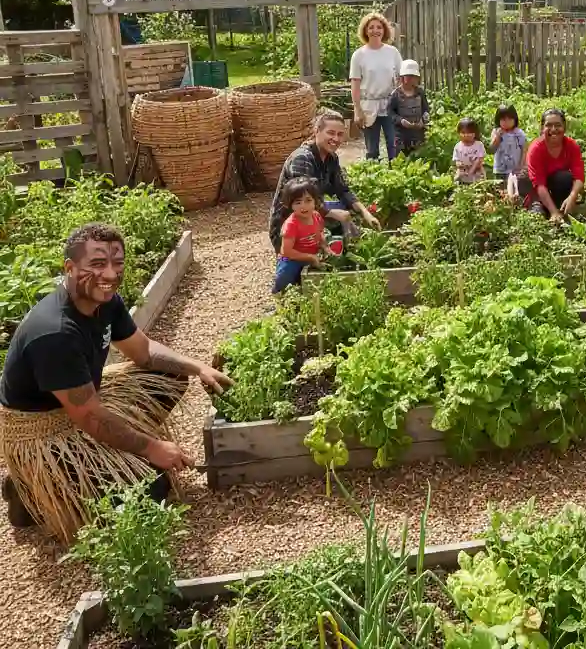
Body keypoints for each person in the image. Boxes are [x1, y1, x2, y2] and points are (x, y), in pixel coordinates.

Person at [0, 223, 232, 542]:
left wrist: (198, 366)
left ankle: (59, 479)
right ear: (69, 268)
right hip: (47, 431)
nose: (110, 274)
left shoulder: (105, 301)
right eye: (97, 264)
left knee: (172, 374)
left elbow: (144, 351)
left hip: (82, 402)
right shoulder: (55, 334)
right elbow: (91, 418)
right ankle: (31, 489)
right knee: (152, 490)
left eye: (117, 263)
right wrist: (152, 448)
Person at [269, 110, 380, 252]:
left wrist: (366, 213)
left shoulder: (331, 158)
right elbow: (301, 202)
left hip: (311, 214)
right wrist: (334, 214)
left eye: (340, 134)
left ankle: (343, 250)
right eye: (331, 133)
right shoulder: (302, 159)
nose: (336, 138)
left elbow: (343, 190)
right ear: (317, 131)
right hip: (288, 225)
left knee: (346, 210)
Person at [349, 10, 404, 162]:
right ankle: (372, 179)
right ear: (365, 31)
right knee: (372, 150)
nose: (375, 30)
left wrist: (402, 103)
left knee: (395, 147)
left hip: (390, 104)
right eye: (371, 27)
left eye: (379, 27)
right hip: (368, 105)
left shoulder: (392, 52)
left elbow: (401, 79)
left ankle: (396, 178)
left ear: (384, 30)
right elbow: (355, 84)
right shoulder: (359, 55)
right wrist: (357, 109)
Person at [272, 178, 340, 294]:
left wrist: (325, 247)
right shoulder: (291, 225)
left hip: (310, 255)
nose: (304, 206)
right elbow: (286, 251)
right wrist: (311, 258)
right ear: (290, 205)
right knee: (284, 279)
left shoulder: (316, 216)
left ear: (315, 201)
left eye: (308, 200)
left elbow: (320, 234)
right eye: (298, 202)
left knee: (312, 283)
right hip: (292, 259)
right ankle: (279, 296)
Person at [526, 108, 585, 221]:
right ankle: (546, 207)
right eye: (549, 125)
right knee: (537, 217)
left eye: (558, 125)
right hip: (539, 191)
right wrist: (554, 212)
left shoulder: (572, 146)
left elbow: (579, 177)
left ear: (564, 127)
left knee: (564, 177)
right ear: (542, 128)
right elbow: (539, 185)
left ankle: (563, 206)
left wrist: (572, 197)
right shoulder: (536, 149)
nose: (553, 129)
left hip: (558, 187)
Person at [388, 59, 430, 157]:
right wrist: (401, 121)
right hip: (401, 135)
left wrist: (423, 121)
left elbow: (426, 110)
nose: (412, 79)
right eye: (409, 76)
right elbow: (390, 112)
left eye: (414, 77)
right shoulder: (395, 94)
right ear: (402, 77)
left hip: (418, 134)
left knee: (418, 159)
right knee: (401, 160)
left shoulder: (420, 93)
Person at [490, 104, 527, 196]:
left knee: (514, 190)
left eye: (510, 119)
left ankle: (514, 206)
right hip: (500, 169)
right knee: (500, 191)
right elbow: (492, 149)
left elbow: (524, 149)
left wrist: (521, 165)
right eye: (503, 119)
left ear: (515, 119)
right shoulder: (496, 132)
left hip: (515, 169)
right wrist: (498, 136)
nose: (507, 122)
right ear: (498, 120)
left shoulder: (519, 133)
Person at [453, 118, 486, 184]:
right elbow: (457, 160)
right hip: (463, 175)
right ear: (459, 133)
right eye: (463, 132)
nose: (466, 135)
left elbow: (479, 160)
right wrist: (460, 165)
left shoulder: (479, 145)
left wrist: (471, 170)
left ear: (475, 133)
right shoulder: (458, 146)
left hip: (477, 176)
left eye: (470, 133)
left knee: (478, 190)